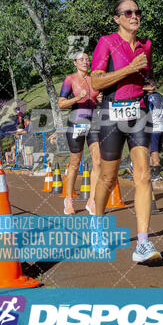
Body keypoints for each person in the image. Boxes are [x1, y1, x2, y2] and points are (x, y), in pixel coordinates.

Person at [91, 0, 162, 264]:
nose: (134, 16)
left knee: (143, 176)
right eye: (128, 12)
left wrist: (149, 83)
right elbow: (97, 81)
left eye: (137, 12)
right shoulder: (106, 42)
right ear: (117, 18)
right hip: (111, 113)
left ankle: (142, 244)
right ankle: (97, 226)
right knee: (108, 178)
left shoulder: (146, 45)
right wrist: (128, 68)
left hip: (139, 111)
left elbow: (146, 75)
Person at [58, 52, 102, 215]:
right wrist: (77, 98)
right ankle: (68, 199)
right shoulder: (70, 80)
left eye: (87, 59)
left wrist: (98, 100)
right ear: (75, 63)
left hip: (93, 123)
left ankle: (92, 200)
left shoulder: (93, 79)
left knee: (97, 162)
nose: (86, 61)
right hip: (76, 124)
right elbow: (61, 104)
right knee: (75, 164)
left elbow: (97, 98)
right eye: (82, 59)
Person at [148, 91, 163, 181]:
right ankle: (152, 173)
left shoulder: (150, 98)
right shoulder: (160, 96)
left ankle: (156, 174)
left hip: (154, 129)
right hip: (162, 127)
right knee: (152, 152)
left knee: (154, 152)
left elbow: (148, 111)